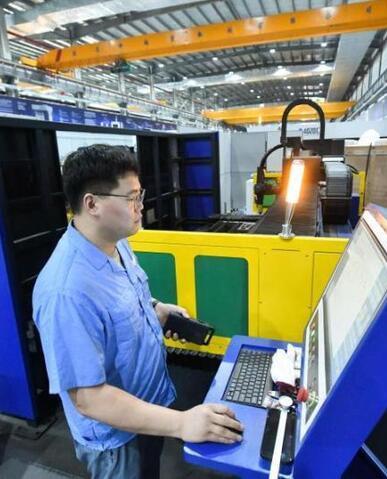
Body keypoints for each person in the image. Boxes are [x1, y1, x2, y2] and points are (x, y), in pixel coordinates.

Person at [32, 144, 243, 479]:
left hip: (148, 408)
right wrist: (182, 423)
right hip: (117, 441)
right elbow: (89, 398)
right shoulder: (66, 292)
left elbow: (124, 297)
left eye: (139, 194)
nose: (141, 205)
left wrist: (157, 310)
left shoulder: (117, 242)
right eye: (131, 197)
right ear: (92, 204)